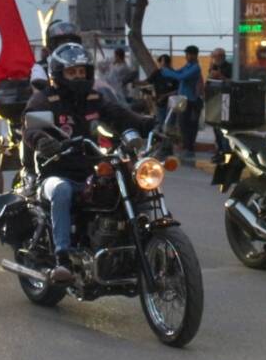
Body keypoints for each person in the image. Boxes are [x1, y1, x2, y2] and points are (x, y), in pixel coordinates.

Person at [23, 43, 153, 283]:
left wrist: (148, 124)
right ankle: (62, 257)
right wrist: (42, 140)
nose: (78, 77)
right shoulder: (46, 99)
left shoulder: (93, 98)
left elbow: (118, 113)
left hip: (89, 169)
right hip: (55, 170)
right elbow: (30, 128)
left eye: (82, 72)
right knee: (61, 190)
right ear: (59, 75)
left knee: (125, 182)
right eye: (72, 73)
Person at [147, 46, 203, 159]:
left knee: (188, 126)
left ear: (194, 55)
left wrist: (166, 71)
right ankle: (183, 147)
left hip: (190, 100)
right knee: (181, 125)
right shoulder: (188, 66)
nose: (187, 56)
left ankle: (189, 148)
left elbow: (181, 76)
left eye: (189, 54)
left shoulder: (195, 68)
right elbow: (177, 72)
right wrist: (166, 69)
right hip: (182, 100)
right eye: (186, 54)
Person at [30, 20, 82, 89]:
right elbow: (37, 82)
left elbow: (94, 81)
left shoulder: (83, 63)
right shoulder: (41, 66)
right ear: (51, 45)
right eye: (62, 42)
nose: (67, 45)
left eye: (71, 41)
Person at [207, 47, 233, 160]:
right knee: (215, 127)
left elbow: (231, 81)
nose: (214, 59)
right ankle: (220, 150)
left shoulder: (229, 67)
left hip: (225, 100)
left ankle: (226, 152)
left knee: (223, 128)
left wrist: (220, 76)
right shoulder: (214, 66)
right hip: (214, 99)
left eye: (215, 56)